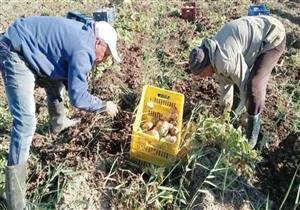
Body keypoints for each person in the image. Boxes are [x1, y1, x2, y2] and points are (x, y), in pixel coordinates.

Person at [0, 16, 121, 209]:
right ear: (98, 42)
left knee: (55, 81)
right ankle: (15, 202)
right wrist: (103, 105)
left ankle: (58, 123)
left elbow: (66, 70)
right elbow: (79, 98)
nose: (103, 60)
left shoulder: (84, 35)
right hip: (16, 53)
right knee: (25, 123)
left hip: (29, 46)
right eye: (105, 54)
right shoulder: (84, 49)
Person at [188, 15, 286, 149]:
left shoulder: (225, 60)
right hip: (254, 39)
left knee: (254, 85)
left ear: (206, 66)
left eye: (201, 74)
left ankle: (252, 135)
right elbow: (225, 83)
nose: (203, 77)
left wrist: (248, 111)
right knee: (238, 83)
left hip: (272, 36)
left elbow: (244, 82)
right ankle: (237, 113)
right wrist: (224, 113)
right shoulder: (213, 52)